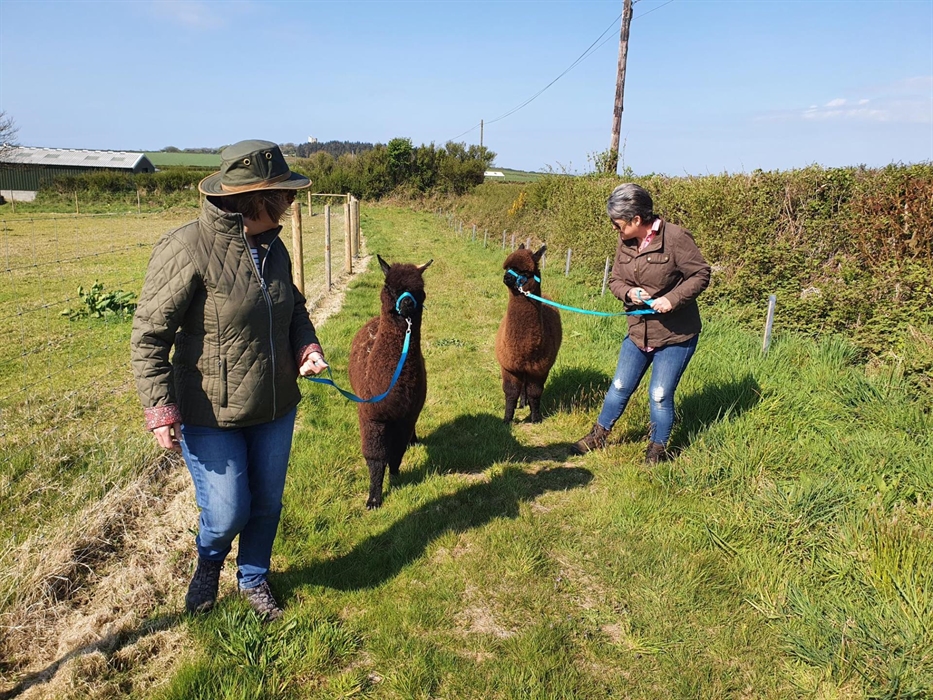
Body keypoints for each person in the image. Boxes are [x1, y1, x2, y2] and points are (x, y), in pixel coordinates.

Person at [130, 139, 329, 621]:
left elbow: (294, 308)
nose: (291, 201)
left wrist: (307, 347)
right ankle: (210, 560)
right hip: (210, 412)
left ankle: (254, 578)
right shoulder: (187, 247)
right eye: (284, 193)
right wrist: (161, 410)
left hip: (276, 404)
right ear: (255, 198)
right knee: (225, 513)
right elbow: (149, 335)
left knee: (266, 504)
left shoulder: (274, 247)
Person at [571, 183, 710, 464]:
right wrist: (628, 293)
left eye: (618, 223)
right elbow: (615, 281)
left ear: (636, 220)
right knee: (620, 385)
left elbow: (700, 274)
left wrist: (672, 299)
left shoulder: (676, 238)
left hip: (675, 336)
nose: (615, 229)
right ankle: (598, 435)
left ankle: (657, 450)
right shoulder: (626, 240)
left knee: (659, 394)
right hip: (638, 332)